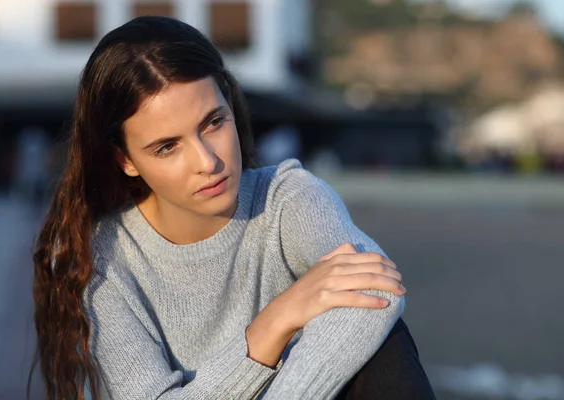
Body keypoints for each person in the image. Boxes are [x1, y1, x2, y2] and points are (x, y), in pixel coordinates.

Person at [29, 16, 435, 400]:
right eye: (167, 147)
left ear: (230, 104)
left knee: (386, 348)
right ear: (126, 160)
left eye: (212, 123)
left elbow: (375, 290)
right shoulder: (101, 261)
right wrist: (274, 323)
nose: (207, 161)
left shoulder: (287, 198)